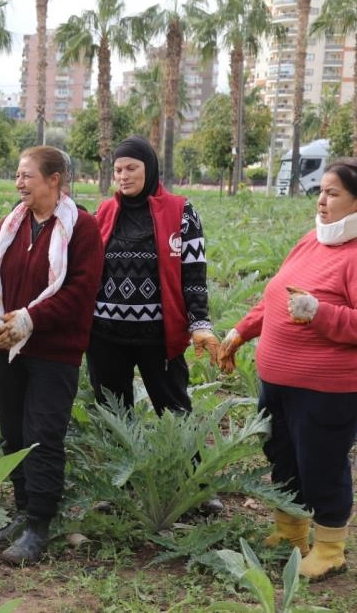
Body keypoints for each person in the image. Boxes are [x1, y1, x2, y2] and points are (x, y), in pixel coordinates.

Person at [218, 161, 357, 581]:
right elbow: (277, 297)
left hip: (326, 389)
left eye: (332, 193)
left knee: (322, 465)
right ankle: (290, 530)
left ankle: (330, 547)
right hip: (277, 383)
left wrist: (320, 313)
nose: (321, 200)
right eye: (321, 191)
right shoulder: (309, 243)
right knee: (283, 458)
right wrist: (240, 332)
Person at [0, 146, 104, 565]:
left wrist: (31, 319)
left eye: (27, 175)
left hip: (54, 352)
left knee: (43, 437)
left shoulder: (81, 229)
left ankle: (39, 525)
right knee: (13, 432)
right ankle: (23, 509)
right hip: (9, 350)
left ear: (54, 180)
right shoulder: (10, 226)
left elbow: (80, 294)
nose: (19, 183)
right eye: (17, 175)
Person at [88, 136, 220, 412]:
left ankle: (185, 458)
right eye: (118, 170)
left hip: (158, 337)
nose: (123, 176)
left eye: (131, 168)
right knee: (114, 418)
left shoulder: (181, 212)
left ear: (149, 168)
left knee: (175, 412)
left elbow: (194, 274)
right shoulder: (105, 211)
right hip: (105, 336)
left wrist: (200, 324)